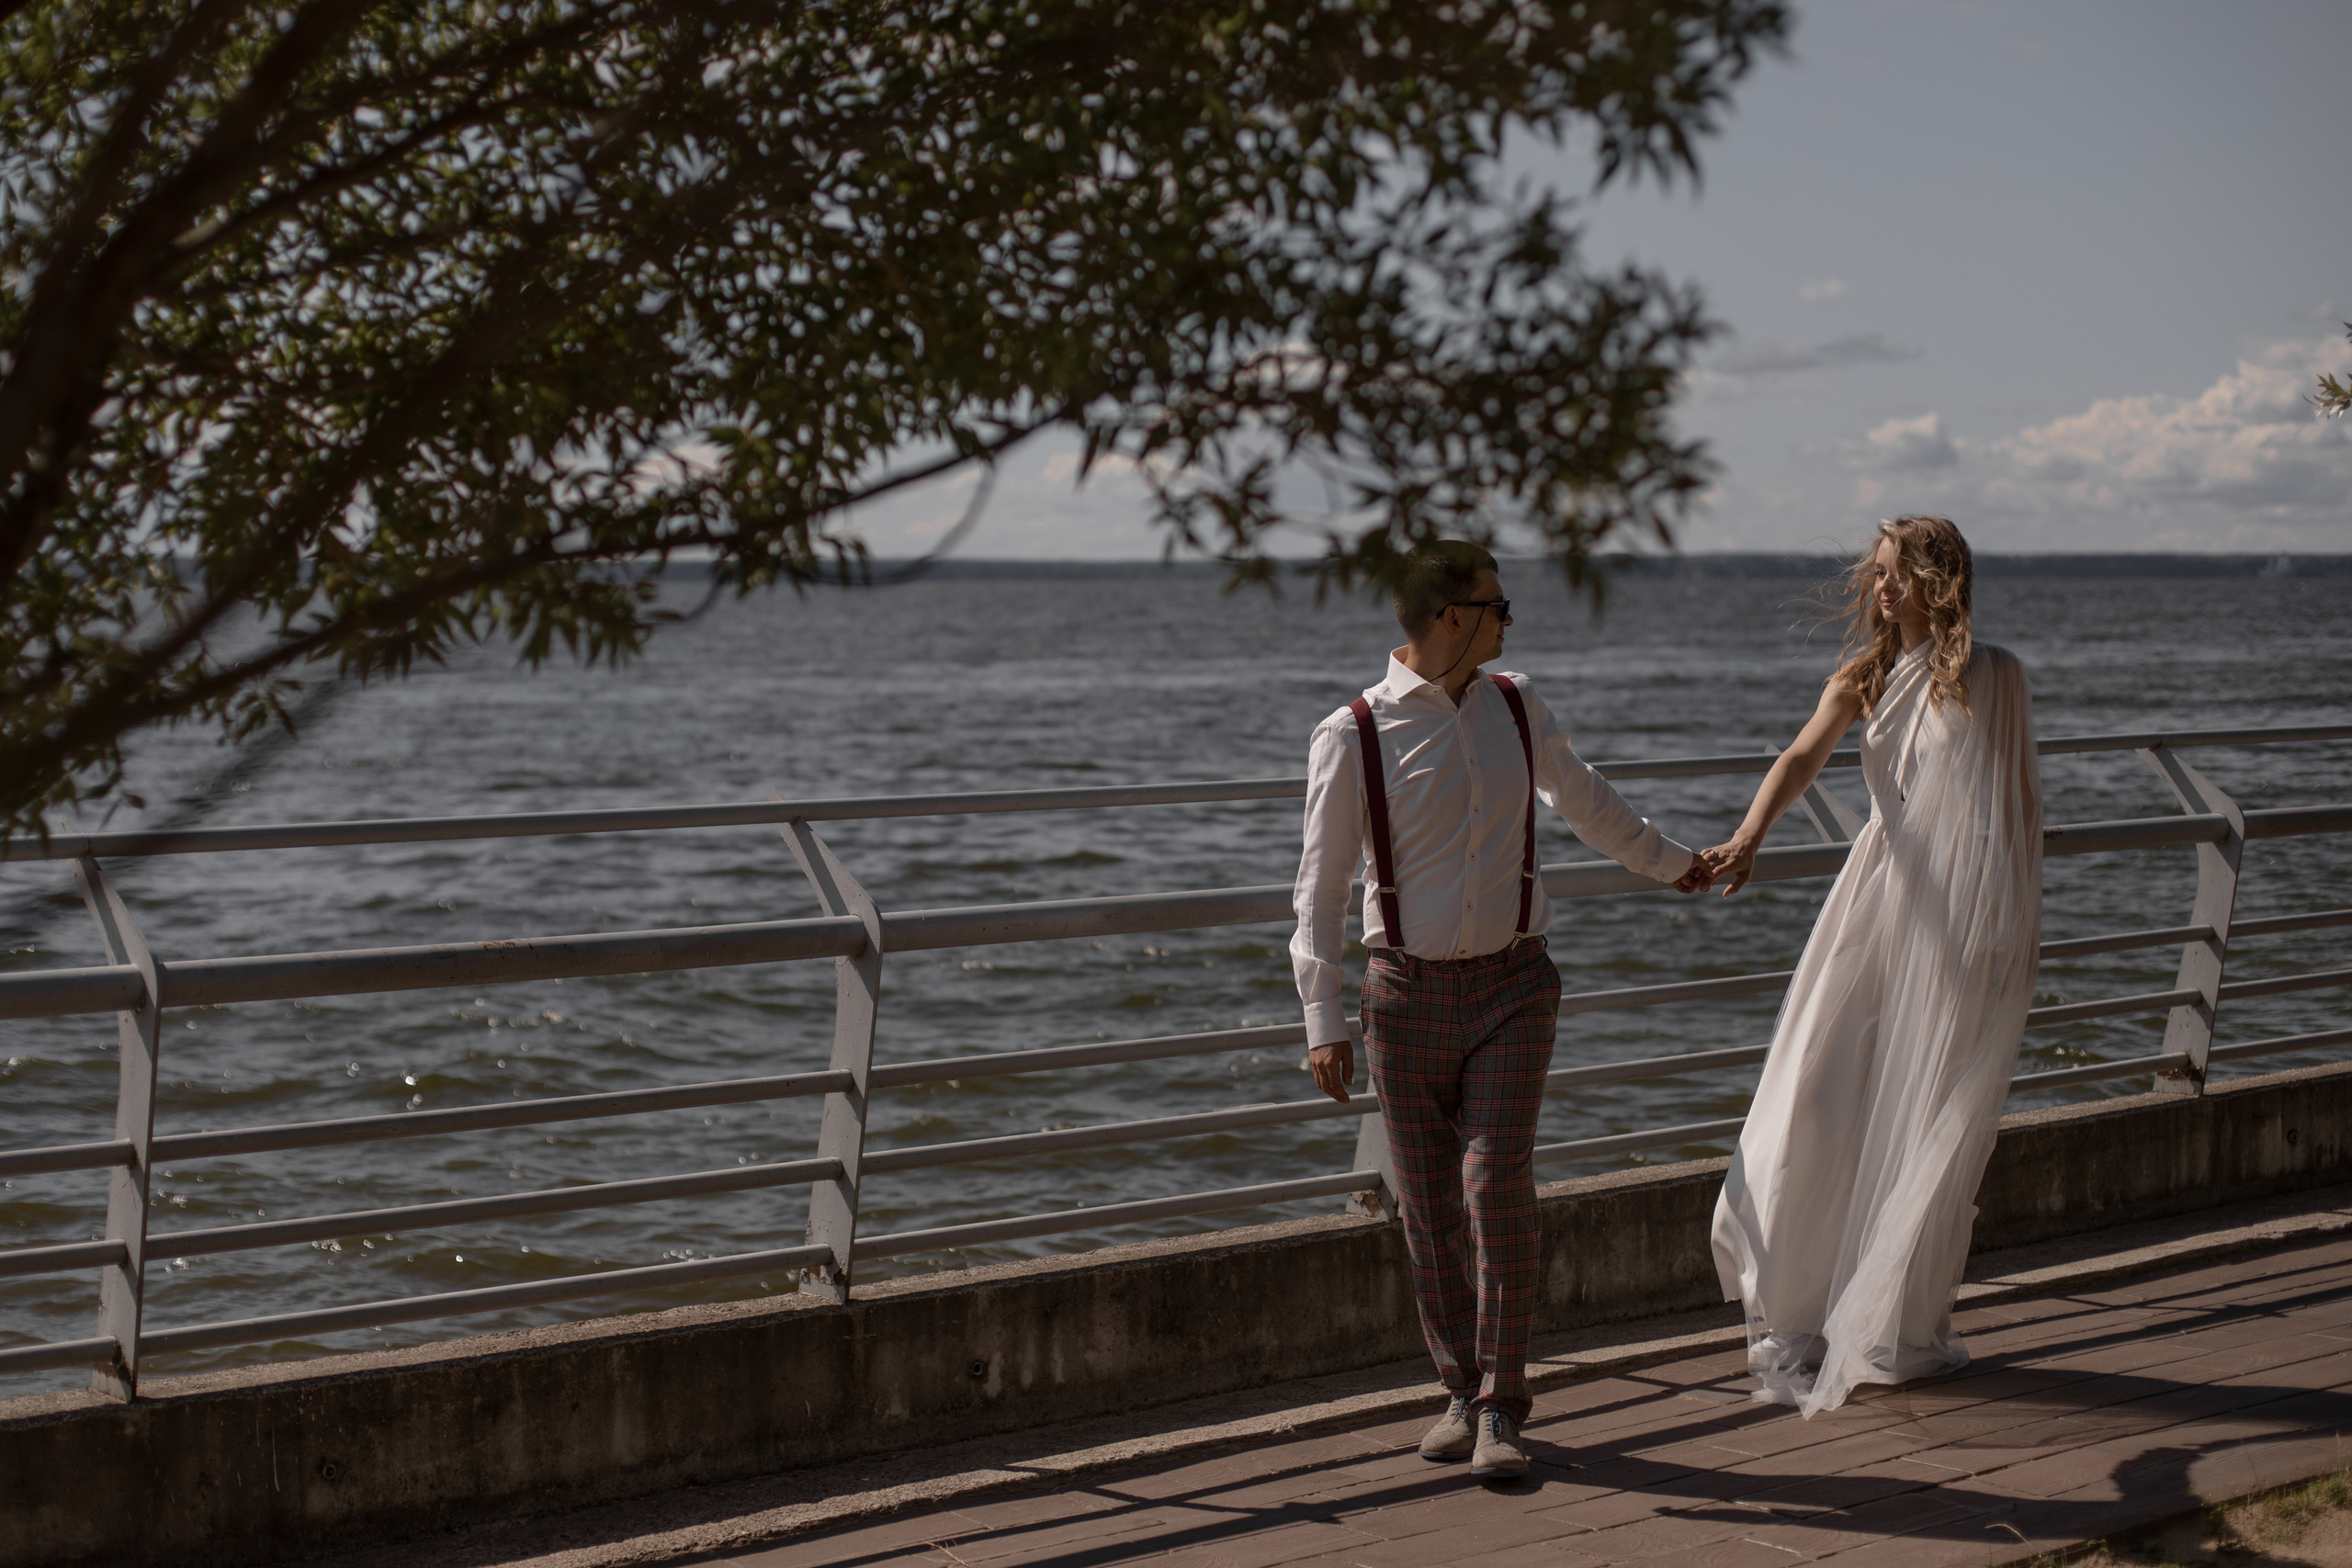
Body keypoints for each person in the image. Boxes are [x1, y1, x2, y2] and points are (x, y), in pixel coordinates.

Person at [1292, 540, 1704, 1478]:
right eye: (1496, 603)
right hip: (1401, 997)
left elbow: (1586, 801)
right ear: (1450, 615)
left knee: (1494, 1189)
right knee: (1431, 1208)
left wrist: (1675, 863)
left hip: (1515, 984)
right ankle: (1457, 1390)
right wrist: (1320, 1020)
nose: (1509, 619)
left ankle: (1501, 1409)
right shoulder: (1352, 733)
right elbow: (1316, 892)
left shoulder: (1516, 704)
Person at [1702, 515, 2042, 1417]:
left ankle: (1893, 1317)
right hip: (1871, 901)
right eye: (1876, 573)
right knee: (1809, 1101)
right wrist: (1746, 839)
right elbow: (1800, 756)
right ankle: (1800, 1311)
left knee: (1919, 1114)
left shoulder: (1994, 676)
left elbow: (2016, 815)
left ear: (1938, 580)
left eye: (1896, 573)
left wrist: (2010, 932)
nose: (1880, 588)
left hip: (1955, 923)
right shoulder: (1861, 677)